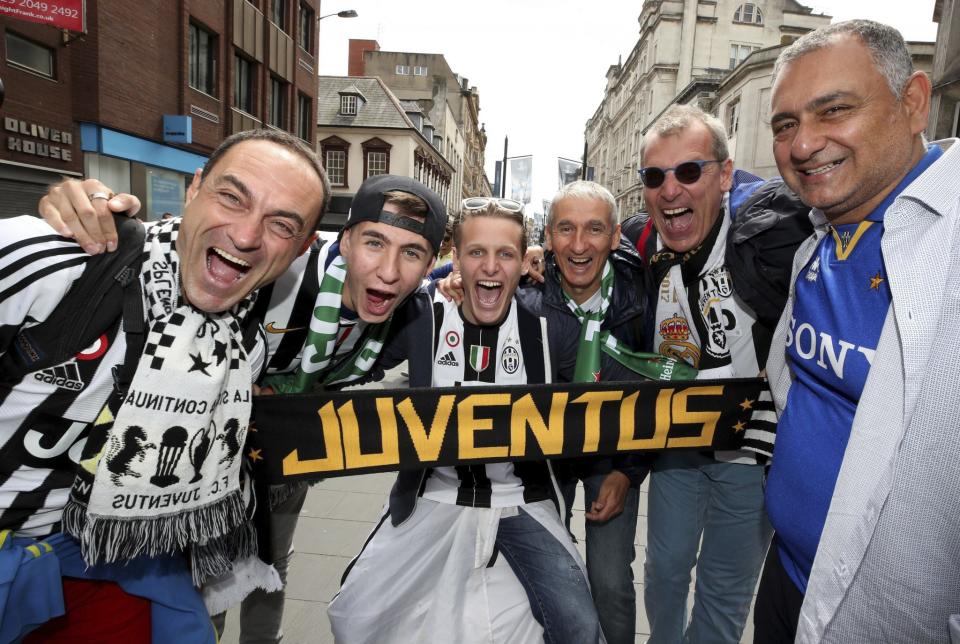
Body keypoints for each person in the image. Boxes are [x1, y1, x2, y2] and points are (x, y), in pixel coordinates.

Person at [36, 173, 447, 644]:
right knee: (197, 564)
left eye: (411, 253)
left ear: (431, 263)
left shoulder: (414, 314)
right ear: (347, 239)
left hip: (283, 454)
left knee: (272, 557)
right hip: (196, 449)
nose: (389, 270)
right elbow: (179, 252)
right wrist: (87, 205)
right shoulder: (284, 271)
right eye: (375, 242)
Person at [0, 129, 329, 643]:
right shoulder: (54, 260)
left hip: (97, 559)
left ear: (302, 248)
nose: (245, 235)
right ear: (194, 189)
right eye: (231, 197)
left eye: (281, 224)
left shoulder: (245, 348)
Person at [758, 20, 960, 642]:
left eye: (834, 110)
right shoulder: (816, 243)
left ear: (913, 102)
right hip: (788, 582)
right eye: (786, 124)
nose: (803, 144)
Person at [328, 197, 602, 644]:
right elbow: (346, 360)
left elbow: (615, 398)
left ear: (523, 263)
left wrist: (619, 473)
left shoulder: (552, 332)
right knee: (355, 615)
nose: (490, 267)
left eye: (505, 254)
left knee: (578, 626)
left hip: (520, 501)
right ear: (456, 257)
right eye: (477, 252)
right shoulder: (421, 320)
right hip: (432, 495)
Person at [629, 104, 773, 644]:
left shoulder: (763, 239)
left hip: (749, 454)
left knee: (724, 593)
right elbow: (582, 252)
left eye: (690, 171)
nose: (671, 190)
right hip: (678, 447)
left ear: (726, 175)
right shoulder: (643, 244)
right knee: (664, 575)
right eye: (654, 176)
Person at [540, 181, 651, 644]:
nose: (579, 244)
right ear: (548, 237)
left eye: (594, 229)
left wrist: (629, 472)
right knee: (547, 574)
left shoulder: (645, 296)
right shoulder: (525, 294)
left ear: (615, 236)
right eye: (565, 229)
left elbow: (655, 394)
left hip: (615, 458)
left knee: (609, 582)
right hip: (546, 457)